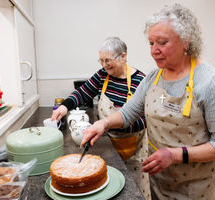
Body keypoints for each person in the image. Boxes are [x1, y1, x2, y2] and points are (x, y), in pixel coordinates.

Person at [81, 4, 215, 200]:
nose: (154, 51)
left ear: (186, 41)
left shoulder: (210, 82)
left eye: (162, 43)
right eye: (151, 43)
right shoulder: (153, 78)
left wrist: (174, 155)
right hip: (158, 181)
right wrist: (102, 123)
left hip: (196, 187)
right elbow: (128, 113)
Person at [51, 37, 151, 199]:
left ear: (123, 56)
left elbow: (146, 119)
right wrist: (65, 106)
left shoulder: (141, 80)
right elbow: (83, 92)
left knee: (134, 192)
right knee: (109, 188)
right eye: (101, 60)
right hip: (109, 146)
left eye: (108, 60)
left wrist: (111, 124)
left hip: (134, 149)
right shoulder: (103, 75)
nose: (104, 65)